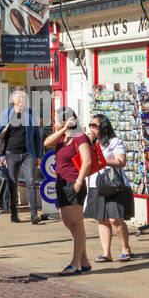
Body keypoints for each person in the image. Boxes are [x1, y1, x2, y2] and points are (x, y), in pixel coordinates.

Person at [44, 106, 93, 275]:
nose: (54, 122)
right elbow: (46, 143)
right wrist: (63, 130)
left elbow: (87, 161)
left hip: (73, 183)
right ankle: (84, 260)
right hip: (61, 183)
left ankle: (75, 263)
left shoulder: (80, 138)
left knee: (76, 224)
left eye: (56, 119)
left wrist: (79, 182)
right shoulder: (61, 138)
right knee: (68, 224)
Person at [85, 113, 134, 263]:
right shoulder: (90, 144)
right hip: (96, 184)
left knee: (115, 219)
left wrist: (103, 161)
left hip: (112, 185)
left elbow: (121, 161)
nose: (91, 129)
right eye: (90, 125)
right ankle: (106, 253)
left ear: (103, 127)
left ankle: (126, 248)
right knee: (102, 219)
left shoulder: (114, 142)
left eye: (94, 125)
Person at [0, 88, 44, 224]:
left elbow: (37, 136)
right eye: (19, 97)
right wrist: (1, 157)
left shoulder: (31, 114)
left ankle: (34, 214)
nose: (22, 100)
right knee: (12, 184)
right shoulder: (6, 114)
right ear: (13, 99)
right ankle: (14, 213)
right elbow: (0, 136)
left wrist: (38, 155)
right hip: (11, 154)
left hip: (27, 153)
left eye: (24, 97)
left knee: (30, 181)